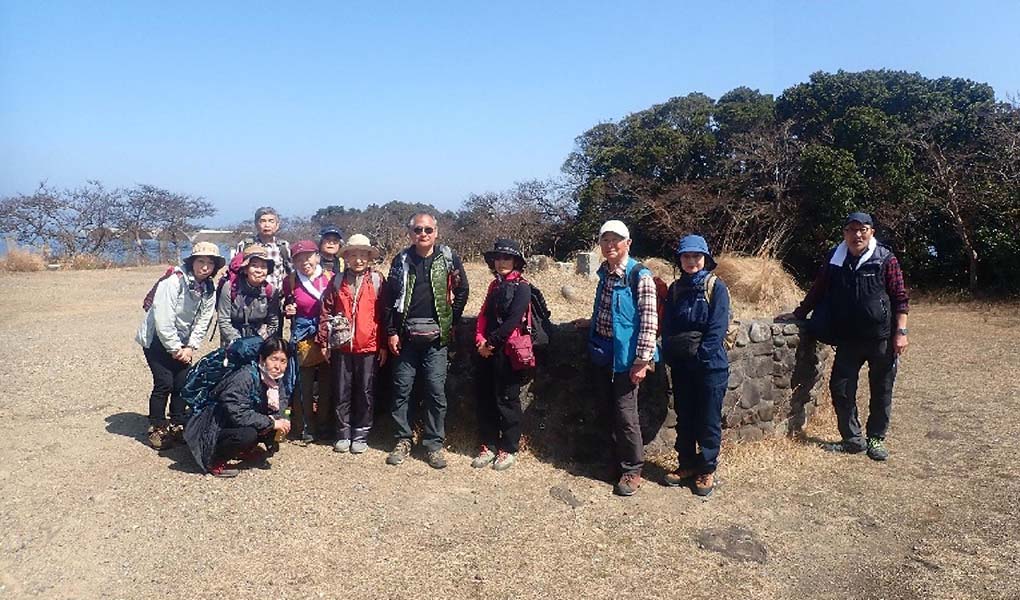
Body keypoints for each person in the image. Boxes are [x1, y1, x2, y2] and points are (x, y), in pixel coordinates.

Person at [777, 211, 909, 461]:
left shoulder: (885, 259)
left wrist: (901, 332)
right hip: (848, 338)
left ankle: (876, 439)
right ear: (844, 233)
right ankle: (853, 439)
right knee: (841, 388)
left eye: (862, 229)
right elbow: (819, 288)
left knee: (881, 390)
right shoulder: (835, 259)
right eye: (851, 229)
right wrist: (799, 313)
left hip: (881, 337)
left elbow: (900, 298)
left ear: (871, 232)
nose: (856, 235)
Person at [384, 213, 469, 469]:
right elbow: (389, 299)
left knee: (435, 391)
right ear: (410, 233)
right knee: (401, 390)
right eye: (418, 230)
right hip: (406, 336)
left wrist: (450, 320)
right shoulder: (401, 260)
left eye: (428, 230)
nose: (423, 234)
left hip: (436, 339)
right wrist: (391, 331)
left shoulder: (448, 258)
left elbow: (463, 289)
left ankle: (433, 444)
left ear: (436, 232)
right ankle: (403, 439)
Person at [588, 220, 659, 496]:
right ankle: (613, 463)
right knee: (606, 409)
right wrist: (590, 323)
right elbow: (606, 309)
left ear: (627, 243)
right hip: (603, 351)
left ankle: (632, 470)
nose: (609, 245)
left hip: (627, 358)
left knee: (625, 414)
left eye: (615, 240)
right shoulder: (605, 273)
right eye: (605, 240)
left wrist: (642, 361)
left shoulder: (640, 276)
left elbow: (649, 321)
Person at [135, 242, 224, 450]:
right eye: (200, 261)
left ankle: (177, 422)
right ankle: (157, 427)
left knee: (183, 382)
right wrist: (175, 349)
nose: (205, 267)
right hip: (157, 339)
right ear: (192, 261)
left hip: (183, 343)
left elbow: (204, 320)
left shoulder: (209, 288)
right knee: (164, 382)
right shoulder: (174, 280)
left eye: (210, 263)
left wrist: (191, 347)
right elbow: (163, 317)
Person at [661, 235, 730, 497]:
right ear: (680, 260)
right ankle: (686, 464)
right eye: (686, 257)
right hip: (682, 364)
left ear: (705, 259)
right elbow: (668, 326)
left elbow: (717, 328)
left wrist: (701, 357)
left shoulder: (716, 287)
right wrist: (671, 352)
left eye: (696, 257)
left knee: (709, 419)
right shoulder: (676, 289)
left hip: (710, 365)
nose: (691, 261)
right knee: (685, 417)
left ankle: (707, 468)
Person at [316, 234, 388, 455]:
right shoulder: (337, 281)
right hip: (341, 345)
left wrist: (383, 344)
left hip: (369, 345)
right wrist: (324, 342)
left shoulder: (377, 281)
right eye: (353, 255)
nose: (358, 260)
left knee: (365, 392)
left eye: (363, 255)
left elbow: (385, 314)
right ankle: (343, 433)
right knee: (341, 390)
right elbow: (326, 311)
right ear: (346, 257)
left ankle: (361, 433)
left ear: (369, 258)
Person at [184, 337, 293, 478]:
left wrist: (283, 418)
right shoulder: (245, 376)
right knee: (247, 435)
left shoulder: (275, 379)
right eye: (273, 359)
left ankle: (243, 450)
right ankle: (214, 460)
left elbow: (282, 401)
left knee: (275, 425)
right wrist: (272, 422)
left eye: (283, 361)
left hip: (236, 421)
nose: (278, 366)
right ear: (262, 358)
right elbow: (238, 413)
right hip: (215, 425)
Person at [471, 239, 532, 471]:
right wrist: (479, 339)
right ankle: (488, 444)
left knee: (507, 400)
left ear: (516, 261)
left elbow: (511, 322)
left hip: (506, 352)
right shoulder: (494, 286)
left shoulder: (523, 287)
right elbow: (483, 316)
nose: (502, 262)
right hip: (487, 350)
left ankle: (509, 447)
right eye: (498, 258)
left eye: (507, 258)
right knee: (485, 398)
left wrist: (490, 344)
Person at [282, 240, 335, 444]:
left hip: (326, 335)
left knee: (326, 383)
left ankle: (324, 426)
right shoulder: (291, 281)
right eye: (299, 258)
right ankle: (305, 426)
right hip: (303, 336)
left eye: (308, 257)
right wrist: (288, 310)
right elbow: (288, 304)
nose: (305, 262)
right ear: (294, 262)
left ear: (317, 257)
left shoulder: (330, 278)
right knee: (302, 384)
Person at [218, 244, 282, 347]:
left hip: (259, 341)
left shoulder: (271, 291)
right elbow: (223, 320)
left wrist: (261, 340)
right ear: (245, 269)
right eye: (254, 266)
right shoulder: (230, 287)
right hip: (232, 341)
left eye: (263, 267)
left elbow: (273, 323)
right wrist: (238, 343)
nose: (259, 270)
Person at [233, 206, 291, 290]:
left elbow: (291, 272)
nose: (267, 225)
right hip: (248, 298)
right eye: (263, 221)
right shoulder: (245, 245)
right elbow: (235, 270)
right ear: (256, 224)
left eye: (271, 221)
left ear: (277, 225)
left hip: (275, 298)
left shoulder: (283, 246)